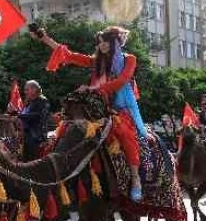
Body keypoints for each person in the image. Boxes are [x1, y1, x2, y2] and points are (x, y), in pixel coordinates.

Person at [32, 25, 145, 201]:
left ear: (114, 42)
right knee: (66, 129)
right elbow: (70, 55)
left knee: (124, 133)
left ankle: (136, 178)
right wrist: (44, 38)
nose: (102, 45)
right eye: (99, 43)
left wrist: (93, 88)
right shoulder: (96, 61)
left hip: (120, 107)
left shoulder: (129, 59)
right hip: (97, 105)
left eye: (105, 42)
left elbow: (122, 81)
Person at [8, 80, 50, 161]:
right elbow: (23, 116)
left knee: (32, 162)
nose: (25, 92)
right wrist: (15, 113)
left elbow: (36, 116)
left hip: (36, 139)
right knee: (25, 161)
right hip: (27, 137)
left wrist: (17, 115)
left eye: (27, 90)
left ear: (34, 89)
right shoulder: (30, 103)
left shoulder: (42, 101)